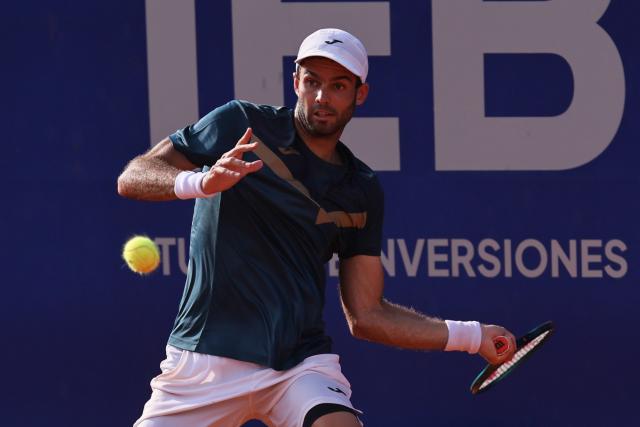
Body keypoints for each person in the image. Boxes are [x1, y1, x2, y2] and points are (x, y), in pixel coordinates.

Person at [118, 28, 516, 427]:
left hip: (299, 366)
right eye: (312, 82)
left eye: (338, 85)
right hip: (204, 360)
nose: (322, 97)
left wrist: (474, 336)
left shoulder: (360, 189)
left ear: (360, 94)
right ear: (295, 82)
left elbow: (366, 315)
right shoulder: (242, 126)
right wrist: (200, 183)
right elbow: (133, 176)